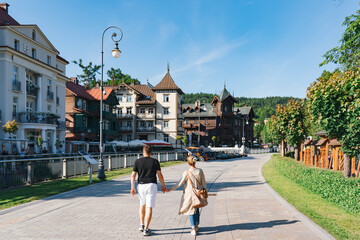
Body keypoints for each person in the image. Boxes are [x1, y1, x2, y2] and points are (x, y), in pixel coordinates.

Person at [131, 145, 166, 236]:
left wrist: (132, 187)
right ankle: (146, 229)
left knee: (142, 205)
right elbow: (160, 175)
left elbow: (133, 175)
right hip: (151, 185)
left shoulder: (137, 161)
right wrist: (163, 186)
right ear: (151, 152)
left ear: (143, 152)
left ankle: (141, 225)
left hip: (141, 186)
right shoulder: (155, 161)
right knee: (149, 207)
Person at [167, 155, 207, 236]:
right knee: (197, 207)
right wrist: (205, 192)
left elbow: (179, 184)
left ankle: (193, 228)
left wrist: (170, 189)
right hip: (198, 193)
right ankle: (196, 225)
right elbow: (204, 183)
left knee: (191, 210)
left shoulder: (186, 172)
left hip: (189, 194)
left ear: (188, 163)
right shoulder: (200, 171)